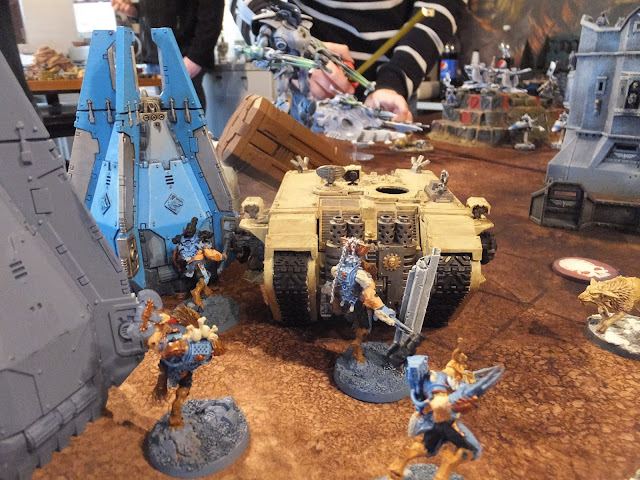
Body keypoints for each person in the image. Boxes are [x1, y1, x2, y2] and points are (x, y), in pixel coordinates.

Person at [233, 0, 467, 121]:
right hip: (311, 98)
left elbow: (441, 6)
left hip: (394, 99)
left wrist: (396, 79)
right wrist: (298, 56)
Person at [111, 0, 224, 110]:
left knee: (185, 117)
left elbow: (212, 10)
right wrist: (136, 11)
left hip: (182, 57)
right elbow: (162, 9)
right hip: (156, 57)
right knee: (161, 117)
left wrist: (196, 58)